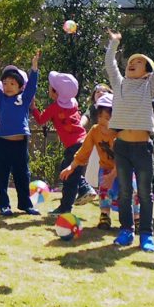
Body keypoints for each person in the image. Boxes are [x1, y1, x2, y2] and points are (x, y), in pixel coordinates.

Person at [105, 30, 154, 252]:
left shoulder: (148, 87)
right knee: (124, 191)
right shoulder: (119, 84)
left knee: (144, 192)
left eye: (139, 62)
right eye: (131, 61)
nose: (132, 63)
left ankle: (146, 234)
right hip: (122, 147)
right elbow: (109, 65)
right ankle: (126, 230)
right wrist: (113, 43)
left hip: (143, 147)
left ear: (146, 73)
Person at [32, 70, 96, 214]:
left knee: (68, 176)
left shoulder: (54, 108)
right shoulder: (73, 103)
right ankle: (84, 189)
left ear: (55, 93)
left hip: (73, 146)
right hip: (84, 141)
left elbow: (41, 120)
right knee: (70, 170)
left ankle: (65, 207)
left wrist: (33, 108)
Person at [0, 50, 41, 216]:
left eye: (12, 84)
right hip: (3, 143)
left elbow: (32, 86)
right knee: (1, 175)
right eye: (5, 83)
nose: (8, 87)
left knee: (22, 175)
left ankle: (25, 205)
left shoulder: (24, 98)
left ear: (20, 86)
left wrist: (34, 69)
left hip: (20, 143)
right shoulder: (1, 98)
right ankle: (4, 205)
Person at [60, 93, 118, 229]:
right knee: (104, 191)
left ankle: (136, 219)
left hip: (122, 168)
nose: (104, 123)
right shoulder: (95, 131)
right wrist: (71, 167)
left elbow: (125, 157)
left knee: (130, 193)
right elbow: (84, 151)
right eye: (101, 118)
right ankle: (105, 216)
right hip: (105, 167)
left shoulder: (120, 132)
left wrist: (114, 174)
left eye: (108, 119)